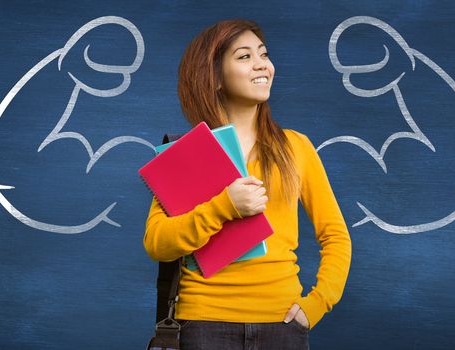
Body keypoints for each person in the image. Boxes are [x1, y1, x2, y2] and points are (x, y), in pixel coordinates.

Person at [143, 19, 352, 350]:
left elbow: (336, 237)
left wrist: (314, 306)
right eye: (244, 56)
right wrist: (225, 206)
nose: (262, 65)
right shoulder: (188, 154)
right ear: (214, 78)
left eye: (264, 54)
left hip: (283, 324)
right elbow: (157, 243)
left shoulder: (295, 147)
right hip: (203, 324)